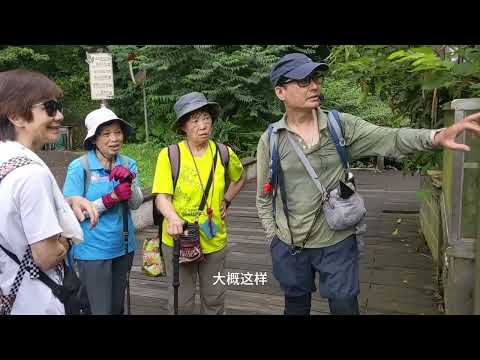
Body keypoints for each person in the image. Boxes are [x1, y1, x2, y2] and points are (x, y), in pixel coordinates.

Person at [255, 53, 480, 315]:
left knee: (344, 306)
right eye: (304, 81)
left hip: (337, 240)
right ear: (281, 91)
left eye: (316, 78)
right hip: (290, 244)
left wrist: (436, 136)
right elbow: (264, 196)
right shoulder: (271, 139)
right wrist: (274, 237)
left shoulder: (341, 126)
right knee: (295, 305)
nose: (315, 85)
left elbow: (390, 138)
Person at [0, 69, 98, 315]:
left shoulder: (6, 161)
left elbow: (14, 213)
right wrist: (67, 228)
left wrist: (65, 202)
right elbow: (47, 256)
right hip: (38, 300)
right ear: (16, 116)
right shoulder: (31, 174)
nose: (60, 115)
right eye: (50, 107)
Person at [152, 91, 246, 314]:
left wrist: (226, 200)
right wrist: (173, 218)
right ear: (183, 126)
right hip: (178, 238)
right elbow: (161, 197)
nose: (203, 125)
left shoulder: (224, 152)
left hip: (213, 237)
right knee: (180, 303)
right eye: (195, 120)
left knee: (214, 299)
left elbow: (240, 177)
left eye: (206, 118)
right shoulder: (170, 155)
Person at [62, 106, 143, 315]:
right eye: (106, 134)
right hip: (92, 250)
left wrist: (130, 182)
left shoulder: (128, 163)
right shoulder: (80, 167)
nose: (114, 138)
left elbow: (135, 203)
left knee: (116, 307)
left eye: (117, 132)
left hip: (124, 246)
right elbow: (71, 212)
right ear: (94, 140)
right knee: (97, 308)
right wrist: (110, 199)